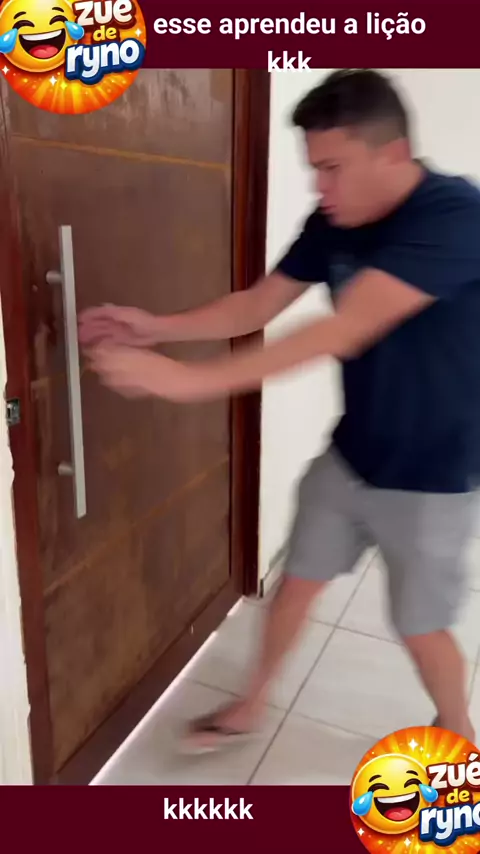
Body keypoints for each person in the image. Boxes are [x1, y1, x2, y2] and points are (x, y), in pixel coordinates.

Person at [80, 69, 480, 749]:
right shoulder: (334, 221)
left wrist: (185, 383)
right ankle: (250, 705)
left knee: (419, 625)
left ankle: (459, 728)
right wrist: (156, 328)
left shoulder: (454, 217)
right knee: (296, 581)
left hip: (433, 476)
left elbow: (343, 328)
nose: (319, 187)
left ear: (391, 154)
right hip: (352, 453)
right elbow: (257, 305)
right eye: (314, 168)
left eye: (331, 168)